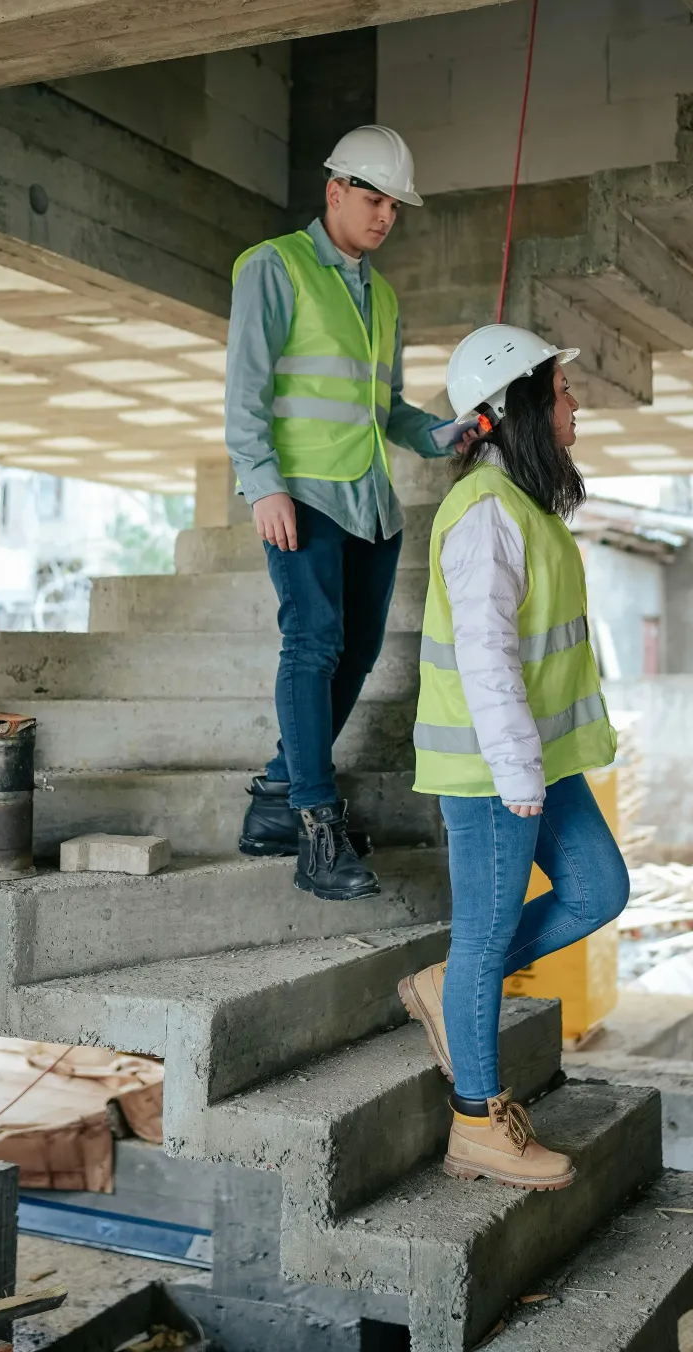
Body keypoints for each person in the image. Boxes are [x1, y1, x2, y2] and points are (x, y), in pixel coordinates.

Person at [398, 324, 630, 1188]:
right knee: (488, 941)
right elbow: (486, 658)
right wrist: (519, 776)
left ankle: (451, 983)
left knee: (599, 890)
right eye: (563, 394)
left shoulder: (524, 505)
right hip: (498, 773)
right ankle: (477, 1126)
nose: (576, 407)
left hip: (540, 760)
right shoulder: (486, 515)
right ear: (520, 408)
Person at [225, 125, 455, 903]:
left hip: (369, 503)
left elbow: (384, 407)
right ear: (334, 191)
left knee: (356, 654)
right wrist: (262, 485)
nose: (385, 215)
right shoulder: (275, 267)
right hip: (302, 496)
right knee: (314, 643)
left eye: (395, 204)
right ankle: (316, 826)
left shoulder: (382, 296)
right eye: (373, 197)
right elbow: (246, 389)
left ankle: (276, 799)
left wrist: (443, 432)